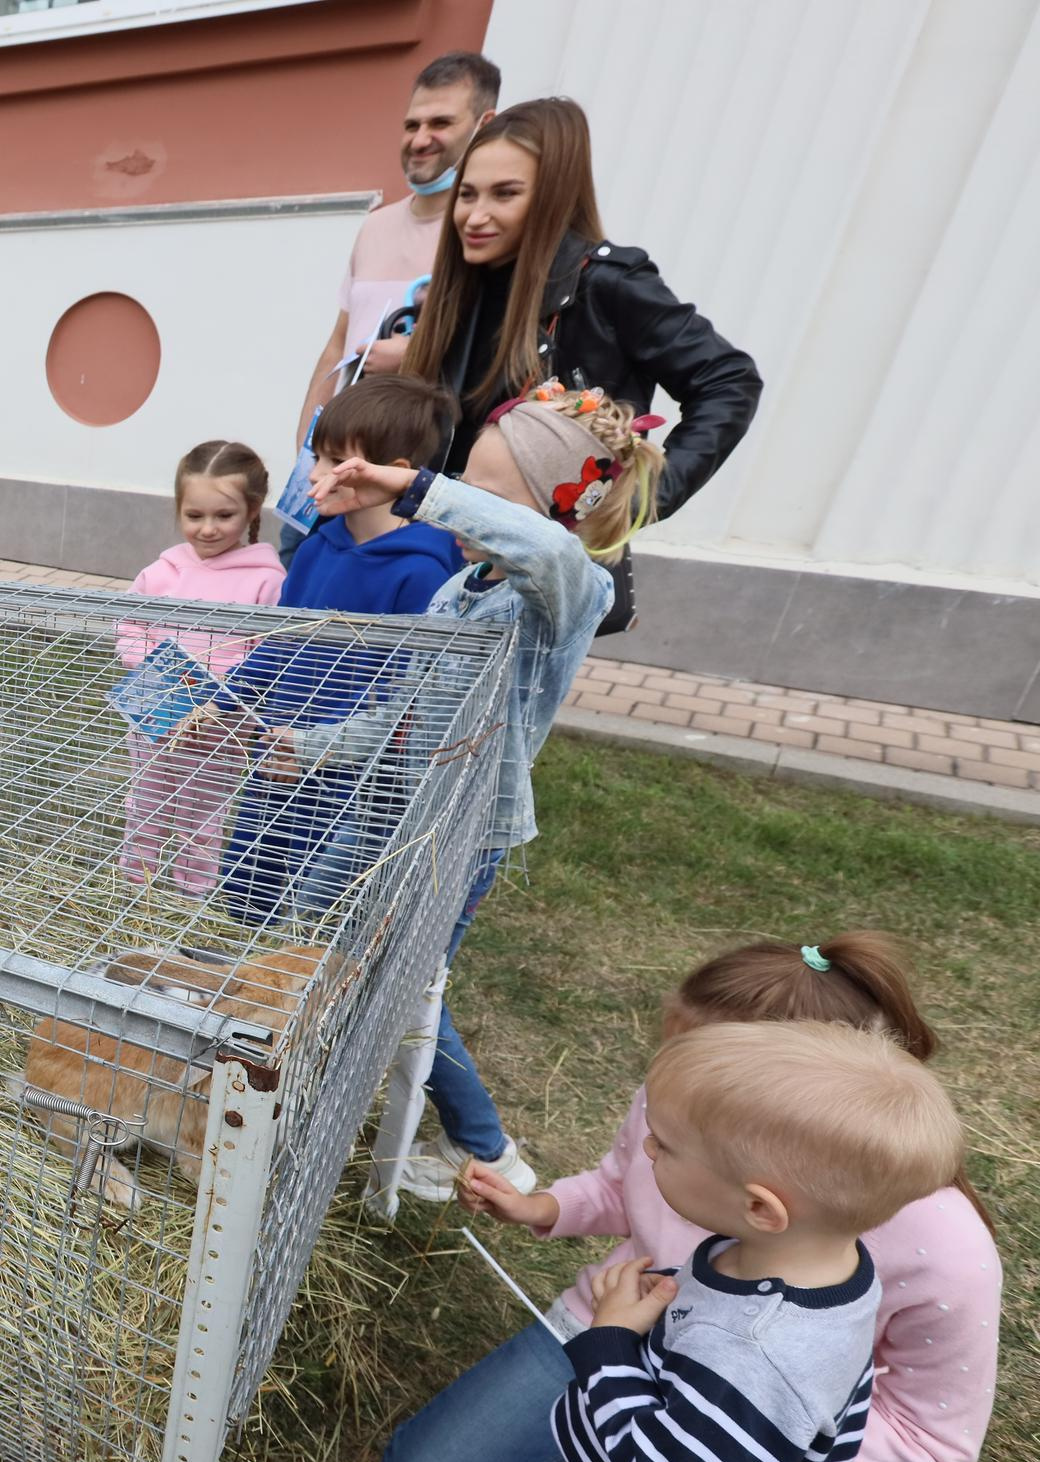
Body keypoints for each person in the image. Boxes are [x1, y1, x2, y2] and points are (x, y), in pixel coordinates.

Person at [392, 934, 999, 1462]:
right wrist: (543, 1208)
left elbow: (921, 1437)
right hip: (649, 1359)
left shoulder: (939, 1254)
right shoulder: (703, 1116)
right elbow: (620, 1183)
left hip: (732, 1425)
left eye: (669, 1142)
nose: (650, 1131)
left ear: (766, 1187)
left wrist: (749, 1451)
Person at [271, 381, 653, 1193]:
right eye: (462, 479)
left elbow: (548, 551)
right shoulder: (456, 591)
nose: (459, 500)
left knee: (404, 983)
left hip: (458, 829)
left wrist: (417, 488)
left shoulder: (565, 592)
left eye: (487, 492)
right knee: (318, 919)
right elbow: (403, 713)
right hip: (389, 804)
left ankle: (483, 1145)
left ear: (554, 508)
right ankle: (313, 1073)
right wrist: (305, 748)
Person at [402, 97, 761, 634]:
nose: (474, 216)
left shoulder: (606, 283)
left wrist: (633, 501)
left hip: (531, 579)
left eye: (506, 194)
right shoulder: (463, 289)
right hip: (445, 553)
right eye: (468, 194)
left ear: (552, 196)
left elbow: (730, 380)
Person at [218, 376, 463, 925]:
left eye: (332, 460)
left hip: (345, 770)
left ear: (390, 470)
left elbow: (405, 694)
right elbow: (281, 637)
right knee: (249, 889)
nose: (313, 474)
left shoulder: (422, 572)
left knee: (313, 908)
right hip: (275, 745)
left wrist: (319, 747)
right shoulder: (315, 548)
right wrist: (229, 698)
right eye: (316, 457)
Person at [293, 51, 501, 444]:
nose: (419, 140)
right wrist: (307, 446)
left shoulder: (485, 234)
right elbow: (337, 346)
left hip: (420, 458)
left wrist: (416, 356)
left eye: (440, 123)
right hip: (343, 453)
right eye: (411, 125)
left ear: (484, 126)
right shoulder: (375, 225)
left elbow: (496, 354)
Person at [111, 441, 285, 894]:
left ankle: (193, 890)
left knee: (205, 811)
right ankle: (136, 882)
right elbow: (129, 623)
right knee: (146, 799)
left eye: (223, 516)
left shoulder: (267, 580)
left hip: (218, 724)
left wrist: (221, 692)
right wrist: (151, 665)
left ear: (252, 510)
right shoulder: (161, 572)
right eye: (194, 515)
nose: (208, 529)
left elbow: (269, 651)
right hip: (155, 711)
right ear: (178, 510)